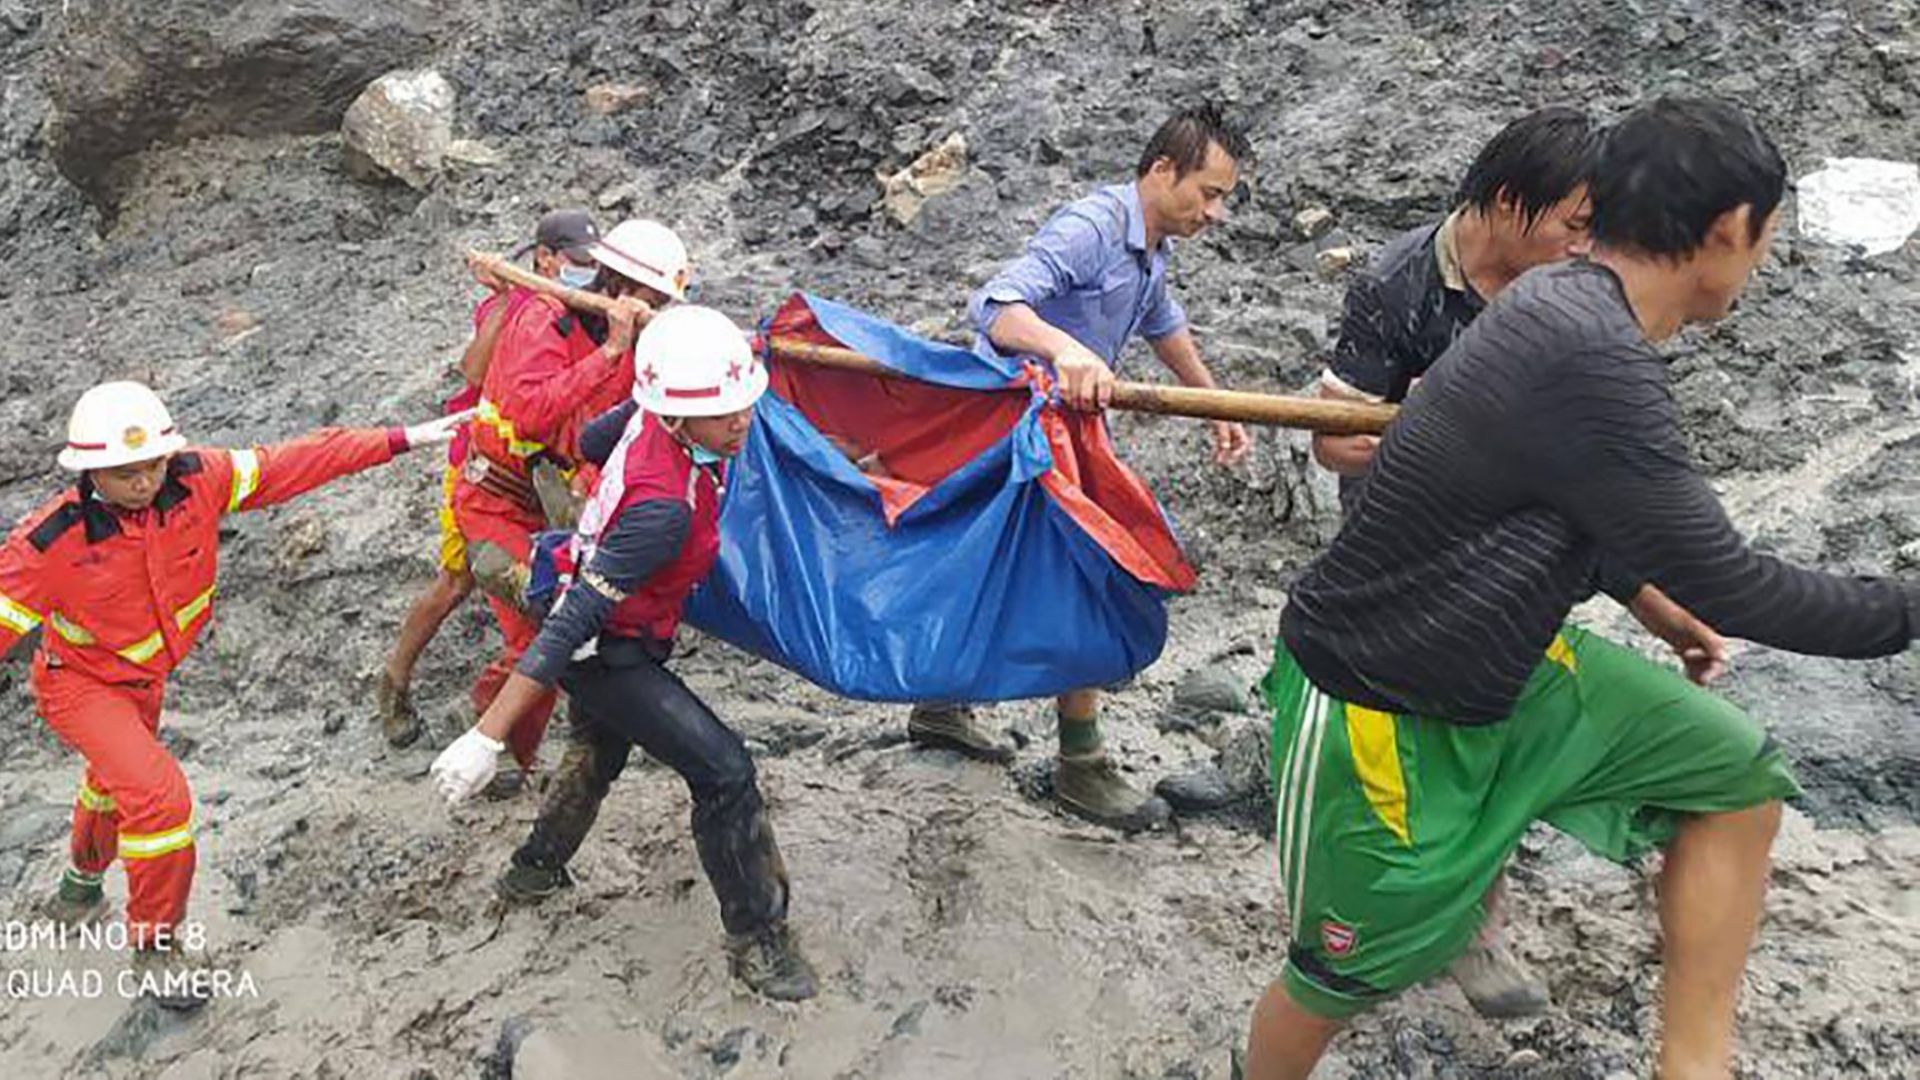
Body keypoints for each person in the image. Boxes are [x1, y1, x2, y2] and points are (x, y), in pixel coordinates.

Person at [1246, 97, 1915, 1079]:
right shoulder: (1590, 351)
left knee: (1731, 777)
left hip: (1505, 659)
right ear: (1732, 229)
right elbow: (1743, 588)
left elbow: (1568, 503)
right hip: (1373, 702)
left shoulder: (1563, 308)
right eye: (1767, 238)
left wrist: (1652, 600)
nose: (1763, 260)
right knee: (1338, 977)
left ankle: (1692, 1065)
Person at [0, 381, 463, 1010]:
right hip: (79, 685)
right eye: (125, 473)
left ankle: (79, 888)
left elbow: (292, 462)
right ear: (88, 472)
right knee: (161, 801)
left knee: (113, 784)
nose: (143, 482)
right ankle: (156, 945)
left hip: (145, 681)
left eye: (153, 466)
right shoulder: (49, 543)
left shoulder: (197, 480)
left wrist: (397, 440)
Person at [431, 306, 818, 1002]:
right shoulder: (662, 506)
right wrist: (486, 737)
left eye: (742, 404)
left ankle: (533, 869)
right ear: (675, 416)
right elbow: (576, 617)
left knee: (600, 752)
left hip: (611, 621)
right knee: (725, 772)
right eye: (724, 412)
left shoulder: (649, 418)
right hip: (603, 645)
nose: (742, 421)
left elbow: (593, 436)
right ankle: (759, 943)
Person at [1310, 107, 1601, 1019]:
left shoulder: (1574, 288)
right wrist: (1427, 421)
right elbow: (1333, 445)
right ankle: (1354, 914)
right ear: (1512, 205)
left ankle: (1480, 921)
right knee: (1392, 740)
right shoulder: (1397, 285)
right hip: (1401, 549)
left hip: (1513, 548)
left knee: (1492, 724)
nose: (1585, 244)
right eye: (1575, 222)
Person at [907, 103, 1253, 831]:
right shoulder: (1093, 227)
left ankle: (940, 707)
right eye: (1210, 192)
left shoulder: (1150, 248)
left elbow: (1164, 327)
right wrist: (1065, 349)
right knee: (1092, 578)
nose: (1216, 213)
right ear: (1163, 170)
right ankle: (1082, 765)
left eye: (1224, 198)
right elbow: (996, 306)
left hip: (1062, 436)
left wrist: (1216, 403)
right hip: (1013, 436)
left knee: (997, 577)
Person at [451, 217, 689, 795]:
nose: (653, 308)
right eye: (651, 298)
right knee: (542, 631)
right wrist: (609, 349)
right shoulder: (543, 318)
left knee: (583, 624)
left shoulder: (636, 343)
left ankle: (554, 741)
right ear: (621, 287)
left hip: (558, 506)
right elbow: (530, 412)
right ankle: (499, 746)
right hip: (495, 505)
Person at [376, 209, 602, 748]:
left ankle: (487, 719)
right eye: (577, 262)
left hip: (538, 479)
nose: (586, 273)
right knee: (457, 583)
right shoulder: (518, 307)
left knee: (514, 594)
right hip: (483, 467)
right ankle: (398, 685)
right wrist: (507, 302)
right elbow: (474, 373)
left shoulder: (580, 313)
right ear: (545, 258)